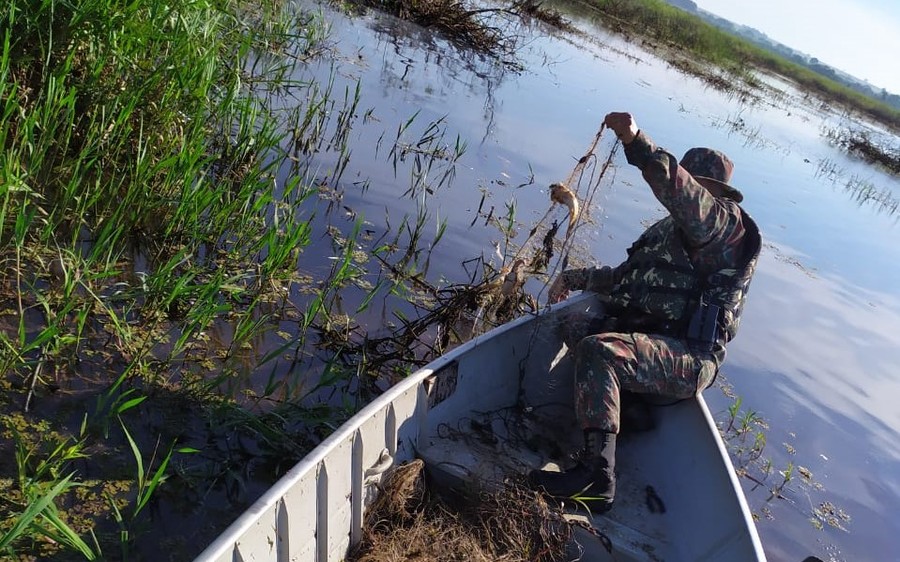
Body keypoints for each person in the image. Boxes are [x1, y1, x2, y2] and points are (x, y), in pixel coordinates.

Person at [529, 112, 762, 511]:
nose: (687, 200)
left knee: (600, 352)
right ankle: (631, 411)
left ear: (710, 194)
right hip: (650, 337)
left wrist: (634, 139)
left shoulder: (727, 228)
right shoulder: (666, 232)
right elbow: (627, 278)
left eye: (696, 190)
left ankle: (596, 479)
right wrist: (576, 276)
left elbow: (676, 189)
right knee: (573, 326)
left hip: (688, 356)